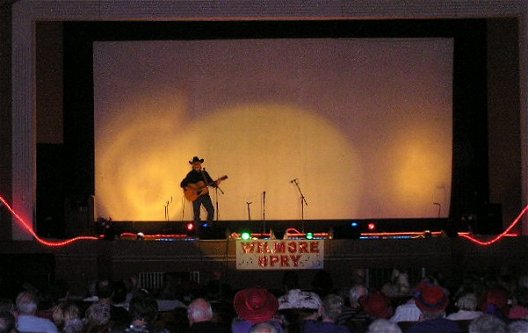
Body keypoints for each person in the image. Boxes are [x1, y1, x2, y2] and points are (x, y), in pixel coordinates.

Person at [180, 156, 223, 232]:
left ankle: (208, 227)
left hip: (205, 195)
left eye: (198, 164)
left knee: (211, 210)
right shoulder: (190, 174)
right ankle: (198, 230)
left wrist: (216, 183)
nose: (196, 165)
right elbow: (183, 184)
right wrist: (188, 189)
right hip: (195, 196)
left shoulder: (204, 173)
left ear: (200, 164)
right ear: (193, 165)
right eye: (195, 164)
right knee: (196, 214)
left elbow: (210, 183)